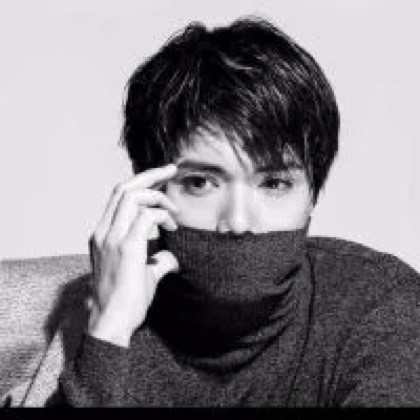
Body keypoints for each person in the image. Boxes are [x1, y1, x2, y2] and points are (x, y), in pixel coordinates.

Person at [31, 17, 420, 406]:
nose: (238, 221)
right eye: (200, 182)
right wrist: (109, 330)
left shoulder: (377, 302)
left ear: (313, 195)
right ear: (151, 190)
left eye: (274, 184)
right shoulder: (82, 315)